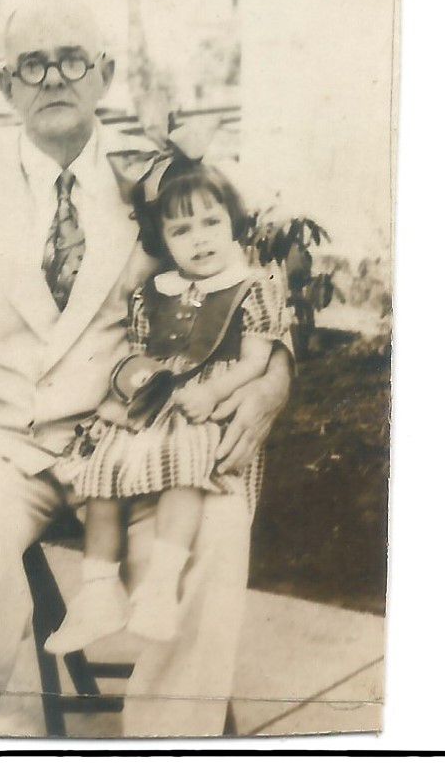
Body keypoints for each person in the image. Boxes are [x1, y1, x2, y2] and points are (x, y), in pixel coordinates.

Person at [0, 0, 293, 737]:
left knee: (215, 531)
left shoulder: (161, 179)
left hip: (136, 442)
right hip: (6, 450)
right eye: (32, 65)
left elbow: (253, 283)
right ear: (6, 86)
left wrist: (270, 382)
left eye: (72, 60)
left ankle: (167, 742)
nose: (54, 78)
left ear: (102, 74)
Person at [45, 155, 290, 654]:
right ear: (163, 241)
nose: (199, 239)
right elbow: (140, 350)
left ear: (233, 223)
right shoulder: (156, 290)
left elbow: (255, 360)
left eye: (211, 223)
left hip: (204, 403)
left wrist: (213, 392)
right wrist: (129, 388)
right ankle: (98, 590)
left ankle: (160, 585)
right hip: (156, 399)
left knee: (187, 470)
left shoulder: (251, 285)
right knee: (103, 477)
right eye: (182, 231)